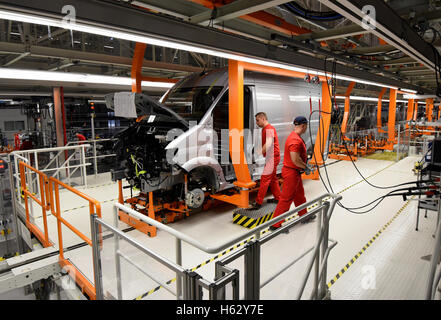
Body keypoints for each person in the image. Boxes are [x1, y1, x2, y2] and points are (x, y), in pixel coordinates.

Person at [270, 116, 315, 230]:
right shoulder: (295, 140)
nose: (306, 128)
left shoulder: (294, 136)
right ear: (303, 126)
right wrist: (306, 167)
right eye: (306, 126)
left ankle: (304, 216)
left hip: (295, 172)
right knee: (286, 199)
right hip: (291, 173)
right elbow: (295, 159)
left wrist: (304, 166)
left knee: (299, 196)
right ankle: (275, 225)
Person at [250, 112, 281, 209]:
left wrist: (258, 152)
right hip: (271, 157)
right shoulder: (265, 129)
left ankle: (258, 203)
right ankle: (278, 198)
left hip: (273, 157)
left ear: (263, 118)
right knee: (273, 179)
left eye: (257, 120)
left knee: (264, 179)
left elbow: (268, 144)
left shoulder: (269, 128)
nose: (256, 123)